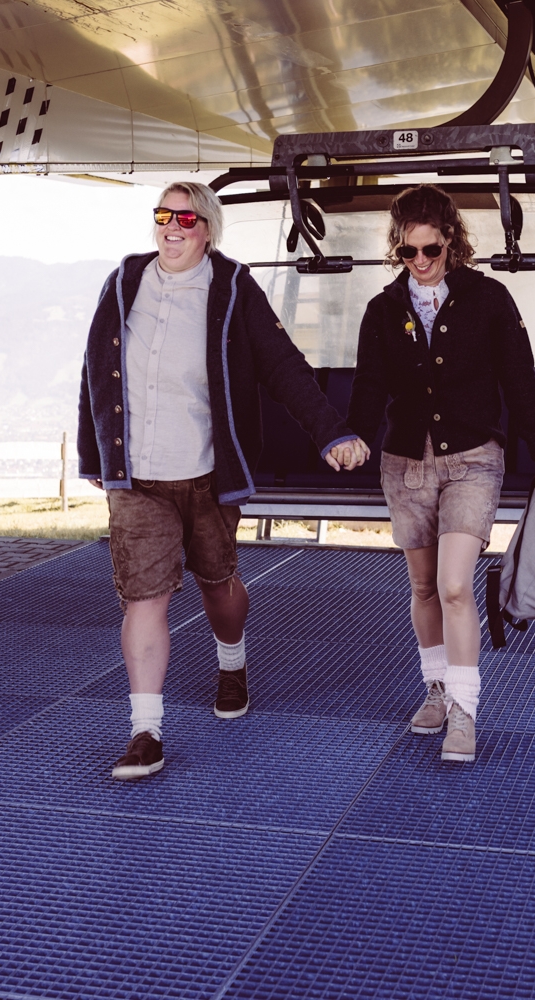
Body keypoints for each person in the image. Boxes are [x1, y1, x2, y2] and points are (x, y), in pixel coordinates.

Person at [78, 181, 370, 780]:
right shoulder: (123, 282)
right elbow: (94, 372)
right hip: (138, 478)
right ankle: (145, 732)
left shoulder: (233, 286)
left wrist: (330, 432)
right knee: (143, 597)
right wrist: (96, 459)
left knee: (218, 585)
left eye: (187, 217)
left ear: (208, 228)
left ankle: (231, 661)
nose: (173, 226)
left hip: (207, 473)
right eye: (164, 214)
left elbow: (282, 364)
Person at [347, 185, 535, 763]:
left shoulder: (490, 299)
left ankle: (464, 711)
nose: (420, 262)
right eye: (408, 252)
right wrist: (350, 438)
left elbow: (519, 378)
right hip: (405, 464)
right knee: (422, 587)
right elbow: (369, 389)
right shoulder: (382, 310)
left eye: (431, 250)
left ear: (452, 244)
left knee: (455, 585)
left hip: (472, 458)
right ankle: (435, 689)